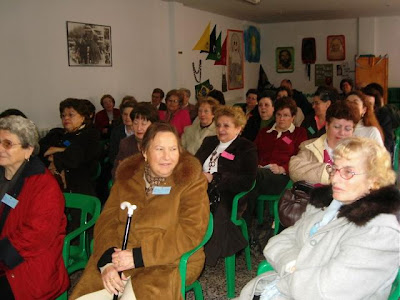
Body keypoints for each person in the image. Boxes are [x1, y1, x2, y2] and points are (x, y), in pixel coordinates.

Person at [237, 137, 399, 299]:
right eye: (334, 169)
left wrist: (289, 269)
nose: (334, 178)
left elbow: (325, 292)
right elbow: (277, 242)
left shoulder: (379, 231)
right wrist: (293, 266)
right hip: (281, 290)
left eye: (348, 172)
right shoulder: (327, 205)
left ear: (374, 180)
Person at [71, 122, 210, 300]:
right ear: (144, 151)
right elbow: (107, 222)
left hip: (169, 260)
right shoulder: (127, 177)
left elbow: (191, 232)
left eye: (173, 149)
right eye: (159, 149)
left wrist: (139, 256)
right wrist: (107, 260)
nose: (167, 157)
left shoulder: (190, 180)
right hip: (119, 255)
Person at [0, 116, 69, 299]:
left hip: (27, 267)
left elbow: (35, 235)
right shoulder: (2, 174)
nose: (0, 148)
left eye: (7, 144)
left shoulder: (44, 185)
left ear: (28, 150)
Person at [195, 106, 258, 266]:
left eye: (226, 126)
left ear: (238, 128)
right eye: (218, 125)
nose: (221, 129)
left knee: (212, 210)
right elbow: (194, 164)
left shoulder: (246, 147)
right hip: (199, 190)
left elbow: (247, 180)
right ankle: (184, 251)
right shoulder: (209, 141)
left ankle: (204, 258)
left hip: (227, 195)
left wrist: (215, 178)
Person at [244, 98, 307, 226]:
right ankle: (247, 223)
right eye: (279, 115)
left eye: (286, 115)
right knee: (250, 180)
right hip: (260, 173)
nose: (281, 119)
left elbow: (301, 157)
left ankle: (245, 222)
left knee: (251, 178)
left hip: (282, 177)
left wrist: (283, 168)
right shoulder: (264, 133)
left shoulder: (299, 133)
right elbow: (252, 152)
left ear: (293, 117)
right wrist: (256, 163)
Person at [39, 98, 101, 195]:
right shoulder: (56, 133)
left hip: (79, 186)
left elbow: (75, 158)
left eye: (71, 115)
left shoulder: (91, 134)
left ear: (83, 117)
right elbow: (39, 149)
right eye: (63, 116)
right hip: (51, 185)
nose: (66, 118)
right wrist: (62, 152)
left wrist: (54, 155)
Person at [289, 100, 360, 184]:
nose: (342, 133)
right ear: (327, 126)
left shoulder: (361, 151)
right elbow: (295, 169)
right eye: (337, 127)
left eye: (347, 129)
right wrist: (329, 172)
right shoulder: (309, 146)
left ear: (353, 130)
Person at [112, 102, 159, 178]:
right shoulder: (126, 143)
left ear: (153, 125)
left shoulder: (161, 143)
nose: (139, 128)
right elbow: (116, 171)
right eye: (135, 123)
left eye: (143, 124)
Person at [362, 85, 394, 154]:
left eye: (369, 104)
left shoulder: (383, 115)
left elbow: (387, 143)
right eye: (364, 104)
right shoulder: (357, 117)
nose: (366, 107)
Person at [108, 100, 137, 166]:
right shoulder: (116, 131)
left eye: (130, 115)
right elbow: (112, 154)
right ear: (121, 115)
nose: (127, 118)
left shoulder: (141, 132)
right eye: (125, 114)